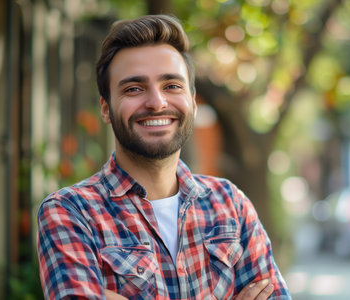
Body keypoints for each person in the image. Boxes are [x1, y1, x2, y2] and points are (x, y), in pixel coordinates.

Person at [37, 14, 291, 300]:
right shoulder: (70, 212)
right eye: (134, 89)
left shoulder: (231, 204)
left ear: (192, 103)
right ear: (106, 108)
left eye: (172, 86)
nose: (157, 102)